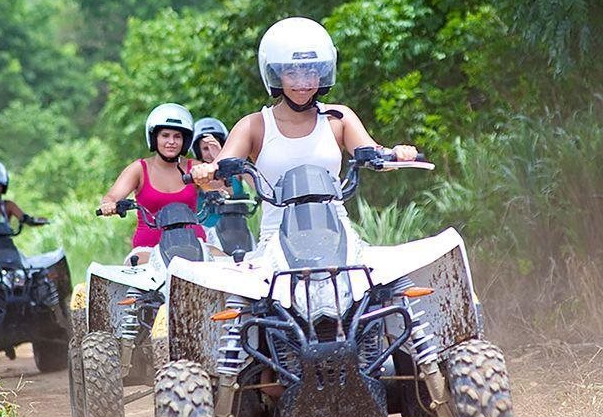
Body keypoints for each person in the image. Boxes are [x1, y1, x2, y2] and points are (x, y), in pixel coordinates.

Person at [190, 17, 417, 243]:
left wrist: (397, 153)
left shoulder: (339, 118)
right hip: (276, 241)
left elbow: (374, 153)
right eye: (292, 74)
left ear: (322, 74)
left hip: (337, 233)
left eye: (311, 72)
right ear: (277, 75)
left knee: (391, 276)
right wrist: (206, 173)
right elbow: (218, 173)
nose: (303, 82)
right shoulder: (254, 125)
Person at [98, 103, 205, 264]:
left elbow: (224, 190)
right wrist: (109, 204)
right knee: (131, 273)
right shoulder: (139, 169)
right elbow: (111, 196)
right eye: (165, 135)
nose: (171, 141)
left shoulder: (195, 168)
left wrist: (217, 160)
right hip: (148, 250)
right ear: (154, 138)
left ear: (185, 140)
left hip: (195, 245)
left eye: (177, 136)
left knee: (228, 265)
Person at [191, 117, 250, 245]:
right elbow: (222, 191)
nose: (210, 152)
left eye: (213, 146)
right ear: (198, 151)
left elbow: (256, 184)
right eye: (205, 148)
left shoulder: (238, 171)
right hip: (208, 231)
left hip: (238, 229)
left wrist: (222, 158)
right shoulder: (199, 173)